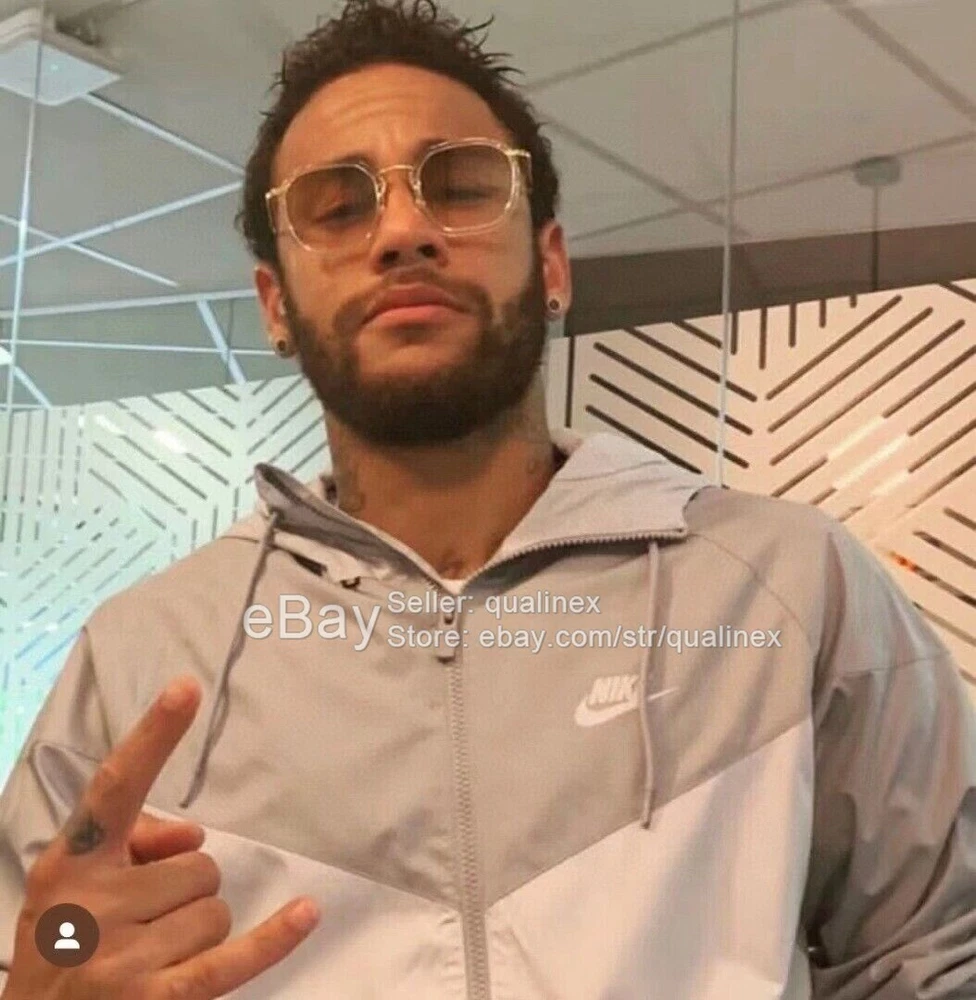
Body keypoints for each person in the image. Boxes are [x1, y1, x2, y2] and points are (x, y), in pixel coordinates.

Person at [1, 0, 975, 996]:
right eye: (337, 207)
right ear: (276, 307)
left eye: (461, 186)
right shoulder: (141, 656)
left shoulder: (789, 589)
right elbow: (41, 946)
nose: (403, 230)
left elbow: (935, 952)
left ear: (550, 265)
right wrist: (52, 968)